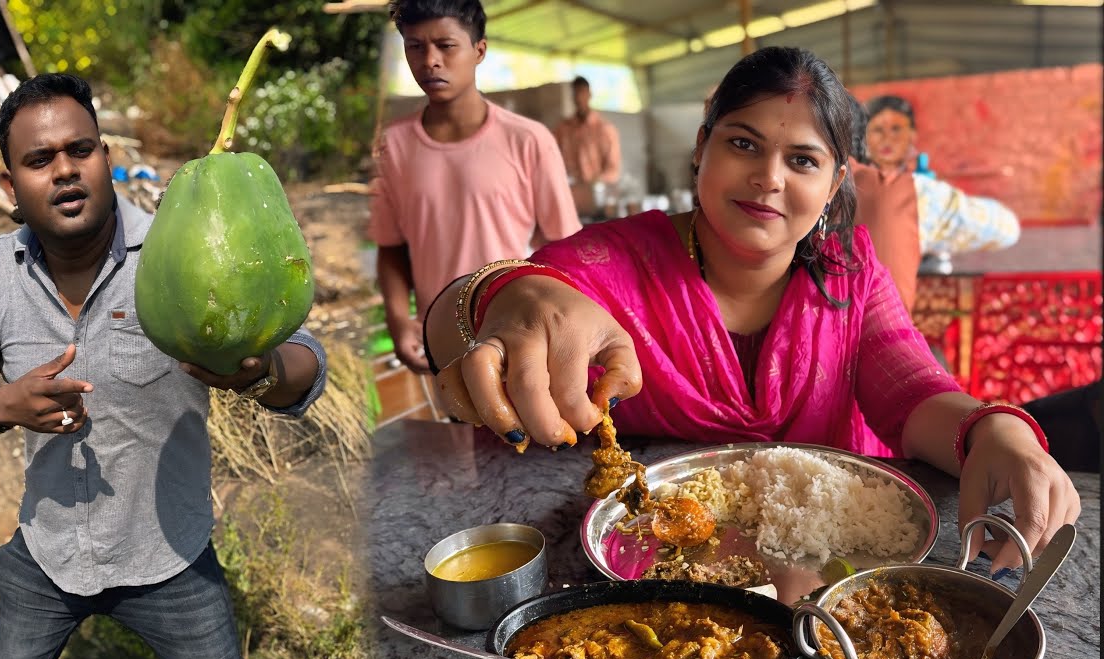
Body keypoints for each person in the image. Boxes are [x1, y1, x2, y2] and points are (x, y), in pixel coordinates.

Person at [422, 47, 1079, 580]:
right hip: (651, 574)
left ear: (833, 183)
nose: (769, 177)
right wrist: (505, 294)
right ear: (702, 145)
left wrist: (998, 432)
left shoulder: (848, 273)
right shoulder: (619, 262)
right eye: (743, 144)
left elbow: (909, 387)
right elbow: (467, 314)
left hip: (831, 577)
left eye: (802, 160)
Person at [0, 74, 327, 659]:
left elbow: (304, 357)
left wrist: (263, 372)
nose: (64, 171)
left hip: (168, 554)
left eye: (80, 150)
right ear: (10, 188)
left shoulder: (177, 247)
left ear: (108, 158)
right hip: (48, 551)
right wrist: (0, 408)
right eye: (39, 160)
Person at [369, 0, 581, 374]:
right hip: (443, 341)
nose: (430, 60)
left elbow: (566, 251)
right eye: (415, 47)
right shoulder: (393, 145)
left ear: (479, 50)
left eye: (446, 45)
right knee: (458, 432)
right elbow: (391, 246)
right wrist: (399, 319)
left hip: (521, 336)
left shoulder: (528, 139)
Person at [857, 94, 1020, 310]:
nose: (887, 138)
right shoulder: (922, 192)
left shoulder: (837, 180)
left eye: (896, 129)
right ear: (864, 137)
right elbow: (1007, 229)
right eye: (878, 130)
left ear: (912, 135)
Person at [554, 76, 622, 218]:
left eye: (582, 92)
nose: (578, 97)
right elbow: (552, 161)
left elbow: (613, 170)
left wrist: (594, 184)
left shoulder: (605, 129)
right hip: (570, 202)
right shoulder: (563, 129)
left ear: (589, 94)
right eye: (575, 93)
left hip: (599, 203)